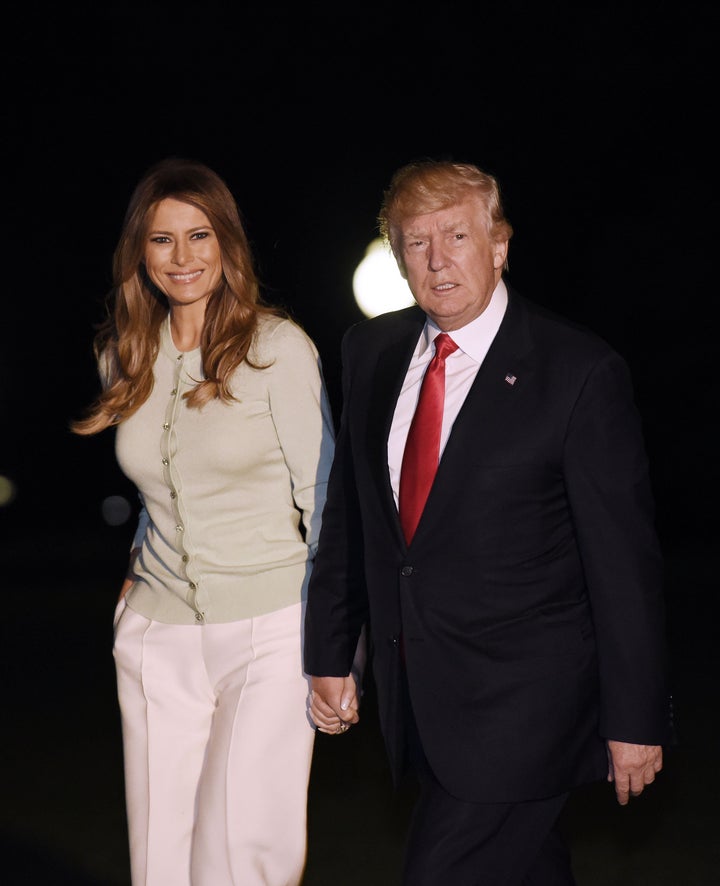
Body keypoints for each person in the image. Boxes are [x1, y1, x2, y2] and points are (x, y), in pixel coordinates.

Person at [304, 159, 673, 885]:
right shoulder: (370, 353)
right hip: (421, 696)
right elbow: (353, 519)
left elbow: (623, 565)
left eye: (458, 236)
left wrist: (635, 720)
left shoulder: (577, 372)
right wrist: (330, 650)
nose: (438, 260)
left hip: (529, 706)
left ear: (499, 245)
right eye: (416, 242)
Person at [71, 156, 336, 886]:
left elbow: (327, 500)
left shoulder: (278, 350)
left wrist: (339, 643)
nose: (182, 258)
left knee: (239, 854)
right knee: (159, 862)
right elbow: (166, 487)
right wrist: (132, 584)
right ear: (140, 253)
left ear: (227, 244)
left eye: (199, 236)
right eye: (162, 240)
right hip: (158, 638)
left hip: (271, 629)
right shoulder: (121, 357)